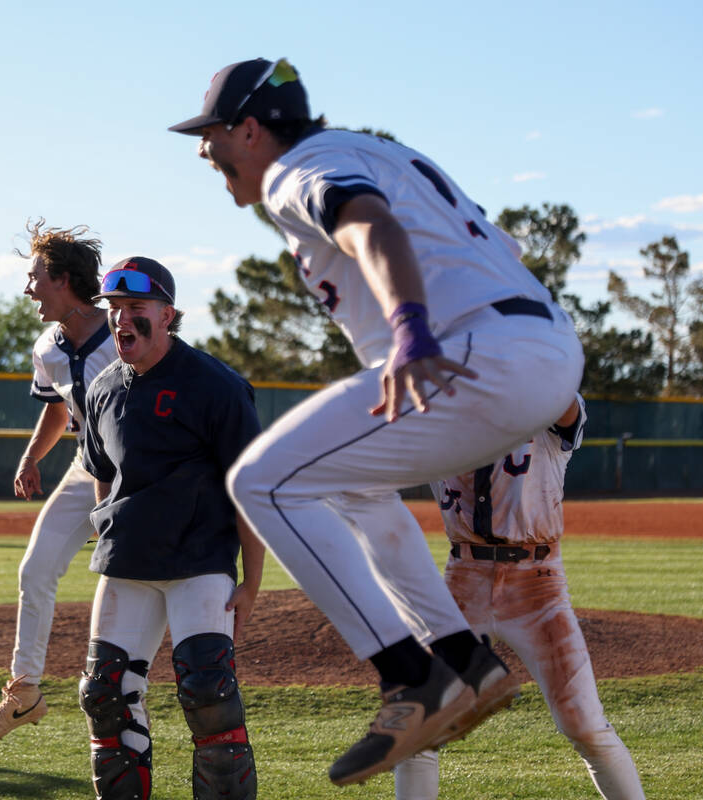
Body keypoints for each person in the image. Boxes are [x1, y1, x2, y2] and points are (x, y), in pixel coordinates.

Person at [169, 58, 584, 785]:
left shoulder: (294, 172)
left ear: (252, 128)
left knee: (263, 482)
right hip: (535, 346)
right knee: (352, 488)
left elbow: (366, 221)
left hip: (474, 351)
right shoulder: (378, 150)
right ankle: (460, 659)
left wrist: (412, 329)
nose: (205, 149)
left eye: (213, 133)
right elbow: (494, 247)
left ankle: (411, 676)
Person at [393, 395, 646, 800]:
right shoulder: (434, 405)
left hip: (536, 583)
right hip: (464, 579)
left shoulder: (541, 392)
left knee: (584, 724)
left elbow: (562, 401)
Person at [78, 257, 263, 800]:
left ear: (169, 315)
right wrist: (111, 538)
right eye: (114, 309)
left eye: (136, 308)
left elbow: (247, 489)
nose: (122, 320)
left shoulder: (216, 385)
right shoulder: (103, 387)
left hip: (197, 565)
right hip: (127, 566)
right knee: (104, 695)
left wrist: (251, 583)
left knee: (209, 695)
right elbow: (103, 477)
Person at [0, 221, 116, 744]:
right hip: (87, 465)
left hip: (143, 473)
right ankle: (25, 691)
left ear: (62, 279)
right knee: (35, 569)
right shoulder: (47, 346)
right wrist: (31, 458)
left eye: (34, 277)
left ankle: (121, 689)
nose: (27, 287)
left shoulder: (123, 330)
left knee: (127, 578)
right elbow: (57, 412)